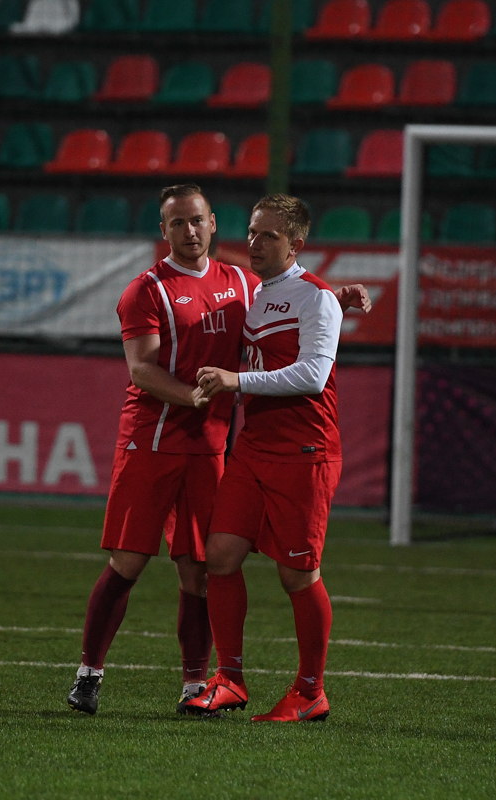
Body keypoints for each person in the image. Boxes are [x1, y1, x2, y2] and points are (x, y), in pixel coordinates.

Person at [66, 186, 367, 716]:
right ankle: (90, 673)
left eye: (197, 220)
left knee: (206, 568)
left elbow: (298, 307)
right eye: (177, 223)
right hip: (154, 440)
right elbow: (141, 369)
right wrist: (194, 396)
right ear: (164, 230)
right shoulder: (146, 290)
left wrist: (332, 299)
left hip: (222, 447)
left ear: (211, 224)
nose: (189, 231)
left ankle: (208, 683)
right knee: (135, 561)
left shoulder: (240, 283)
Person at [184, 194, 343, 722]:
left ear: (296, 244)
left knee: (298, 575)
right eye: (252, 232)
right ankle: (230, 678)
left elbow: (313, 375)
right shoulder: (254, 290)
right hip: (254, 448)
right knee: (221, 556)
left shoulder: (317, 297)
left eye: (268, 235)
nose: (254, 242)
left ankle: (311, 691)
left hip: (305, 451)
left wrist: (237, 380)